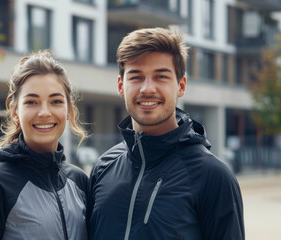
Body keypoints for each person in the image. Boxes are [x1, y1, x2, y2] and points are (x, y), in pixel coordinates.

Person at [87, 27, 244, 239]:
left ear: (181, 86)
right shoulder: (103, 167)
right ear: (121, 86)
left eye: (161, 77)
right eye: (136, 77)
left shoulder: (213, 176)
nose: (147, 89)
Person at [0, 51, 89, 240]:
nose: (44, 112)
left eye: (56, 101)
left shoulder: (79, 181)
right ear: (15, 111)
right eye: (31, 102)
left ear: (68, 109)